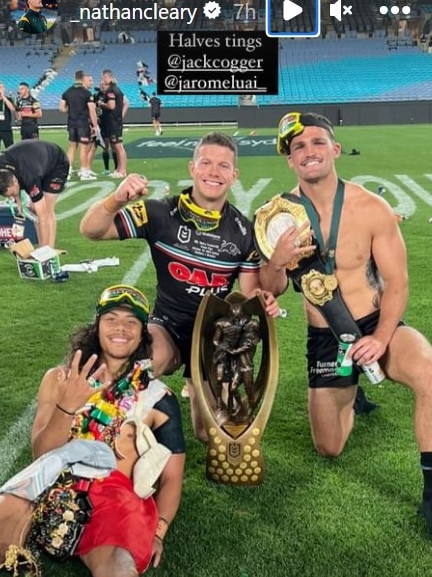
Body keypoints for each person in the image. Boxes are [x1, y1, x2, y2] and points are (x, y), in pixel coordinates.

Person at [258, 111, 432, 535]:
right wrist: (277, 263)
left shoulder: (371, 208)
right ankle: (350, 394)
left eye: (317, 143)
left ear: (334, 150)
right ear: (290, 160)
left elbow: (397, 282)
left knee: (429, 369)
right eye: (298, 147)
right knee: (328, 447)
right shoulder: (276, 217)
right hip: (327, 337)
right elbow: (272, 287)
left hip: (377, 324)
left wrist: (381, 336)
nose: (309, 152)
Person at [80, 131, 280, 441]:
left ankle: (203, 383)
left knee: (208, 433)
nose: (214, 172)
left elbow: (249, 292)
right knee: (142, 367)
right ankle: (96, 428)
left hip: (212, 334)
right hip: (167, 324)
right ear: (192, 168)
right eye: (206, 163)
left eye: (224, 166)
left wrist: (263, 300)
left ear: (235, 175)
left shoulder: (244, 231)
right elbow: (90, 230)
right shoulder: (160, 213)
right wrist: (116, 198)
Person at [0, 284, 185, 576]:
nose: (120, 328)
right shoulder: (59, 379)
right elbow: (42, 455)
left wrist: (159, 532)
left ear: (142, 334)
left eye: (131, 322)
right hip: (53, 479)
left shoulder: (159, 397)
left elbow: (173, 478)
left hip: (114, 502)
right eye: (111, 319)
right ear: (97, 326)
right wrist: (67, 407)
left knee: (119, 567)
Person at [0, 140, 69, 248]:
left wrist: (43, 252)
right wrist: (19, 209)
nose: (12, 197)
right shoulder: (3, 169)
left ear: (15, 180)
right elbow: (19, 209)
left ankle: (48, 250)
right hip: (34, 160)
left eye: (12, 193)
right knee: (33, 208)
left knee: (46, 209)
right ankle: (43, 245)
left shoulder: (29, 177)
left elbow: (43, 216)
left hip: (56, 163)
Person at [59, 69, 98, 181]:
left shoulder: (67, 92)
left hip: (71, 123)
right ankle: (84, 171)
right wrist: (95, 126)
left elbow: (61, 108)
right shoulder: (86, 93)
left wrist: (71, 111)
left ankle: (68, 171)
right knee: (83, 147)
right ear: (82, 78)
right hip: (82, 123)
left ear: (74, 77)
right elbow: (92, 110)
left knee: (72, 147)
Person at [97, 69, 128, 178]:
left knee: (118, 146)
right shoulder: (115, 89)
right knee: (115, 146)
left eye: (104, 78)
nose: (103, 80)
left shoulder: (111, 91)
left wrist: (101, 104)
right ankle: (119, 169)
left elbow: (111, 106)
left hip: (113, 121)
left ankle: (123, 170)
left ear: (109, 78)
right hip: (114, 121)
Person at [0, 82, 15, 150]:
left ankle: (11, 161)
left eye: (1, 87)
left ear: (4, 89)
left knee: (10, 149)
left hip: (6, 129)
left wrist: (3, 97)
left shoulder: (8, 99)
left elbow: (12, 108)